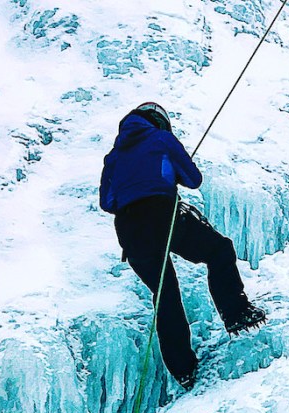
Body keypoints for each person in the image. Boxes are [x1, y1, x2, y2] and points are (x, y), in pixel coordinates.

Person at [99, 102, 266, 389]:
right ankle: (237, 314)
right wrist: (167, 178)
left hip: (128, 229)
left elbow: (107, 202)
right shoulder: (161, 138)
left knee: (165, 294)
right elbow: (194, 179)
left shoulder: (113, 157)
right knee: (218, 251)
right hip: (162, 213)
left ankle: (183, 369)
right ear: (160, 122)